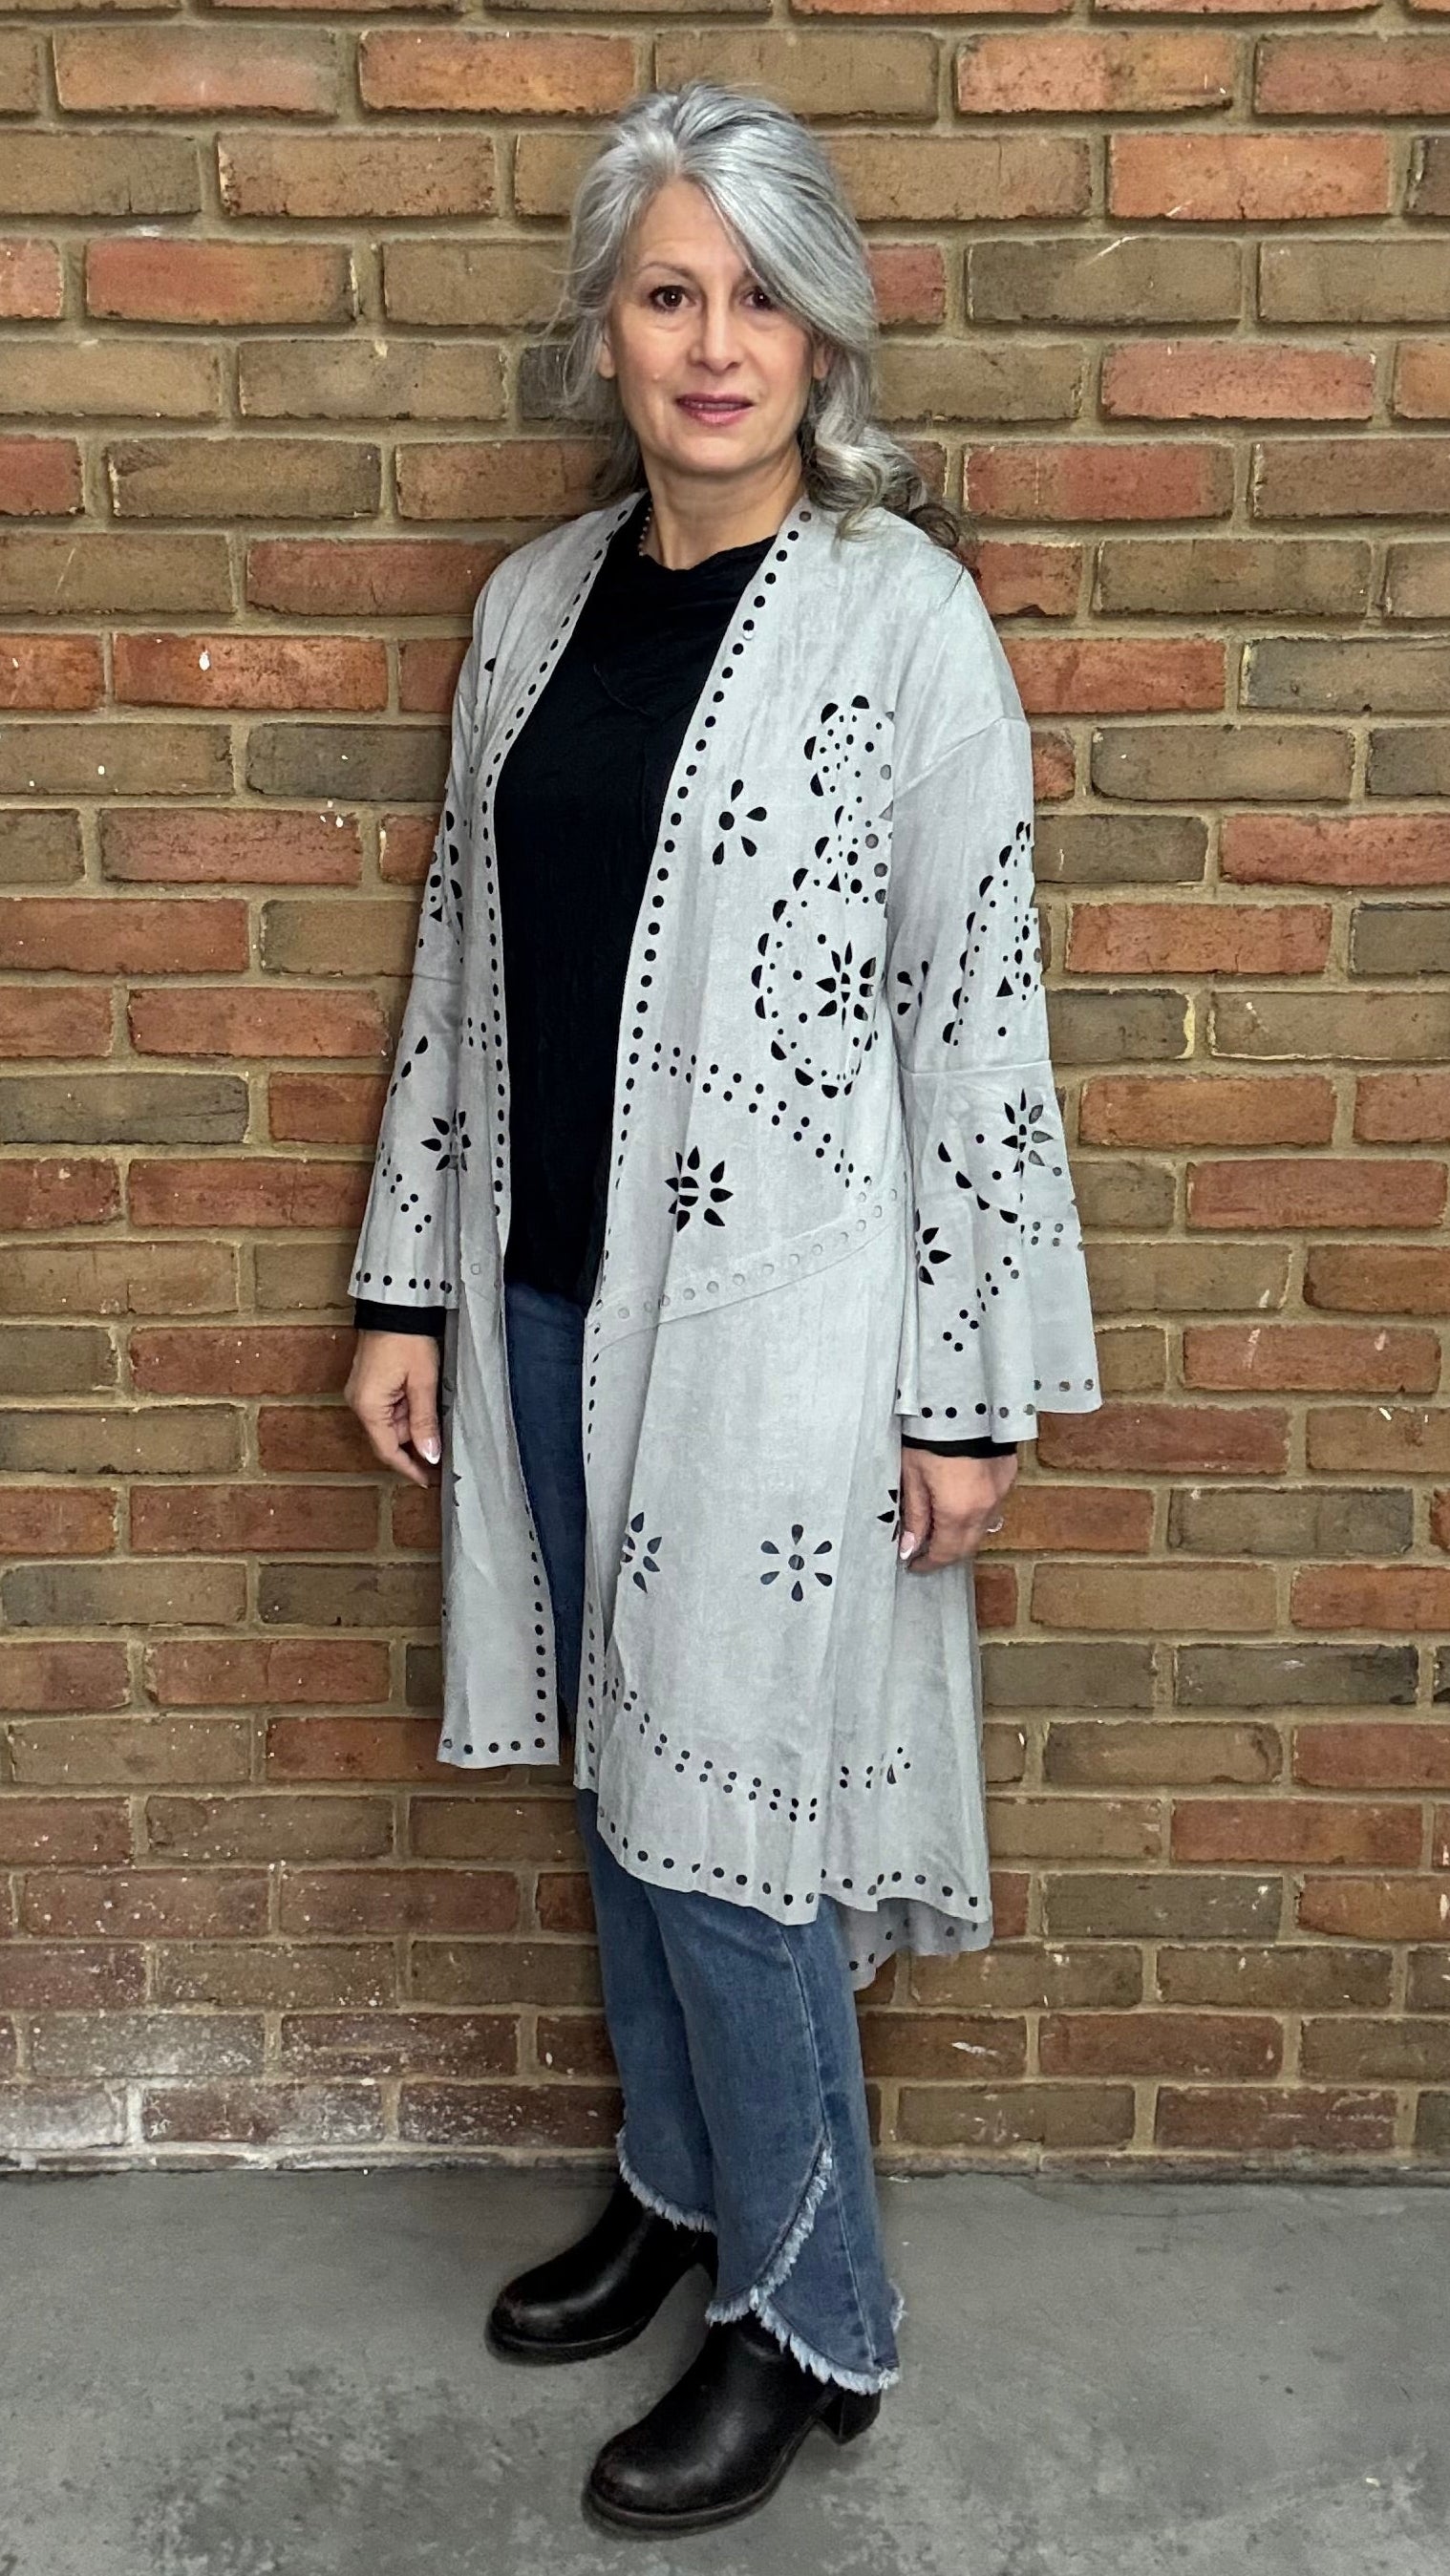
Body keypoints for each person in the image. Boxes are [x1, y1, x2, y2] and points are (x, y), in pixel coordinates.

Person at [345, 77, 1102, 2537]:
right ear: (608, 329)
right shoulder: (529, 614)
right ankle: (677, 2191)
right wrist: (407, 1289)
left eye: (760, 290)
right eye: (671, 290)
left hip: (784, 1322)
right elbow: (467, 961)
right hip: (549, 1298)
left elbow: (976, 1020)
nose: (715, 340)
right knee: (613, 1780)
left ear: (826, 330)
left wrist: (967, 1391)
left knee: (730, 1841)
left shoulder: (907, 624)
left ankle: (812, 2310)